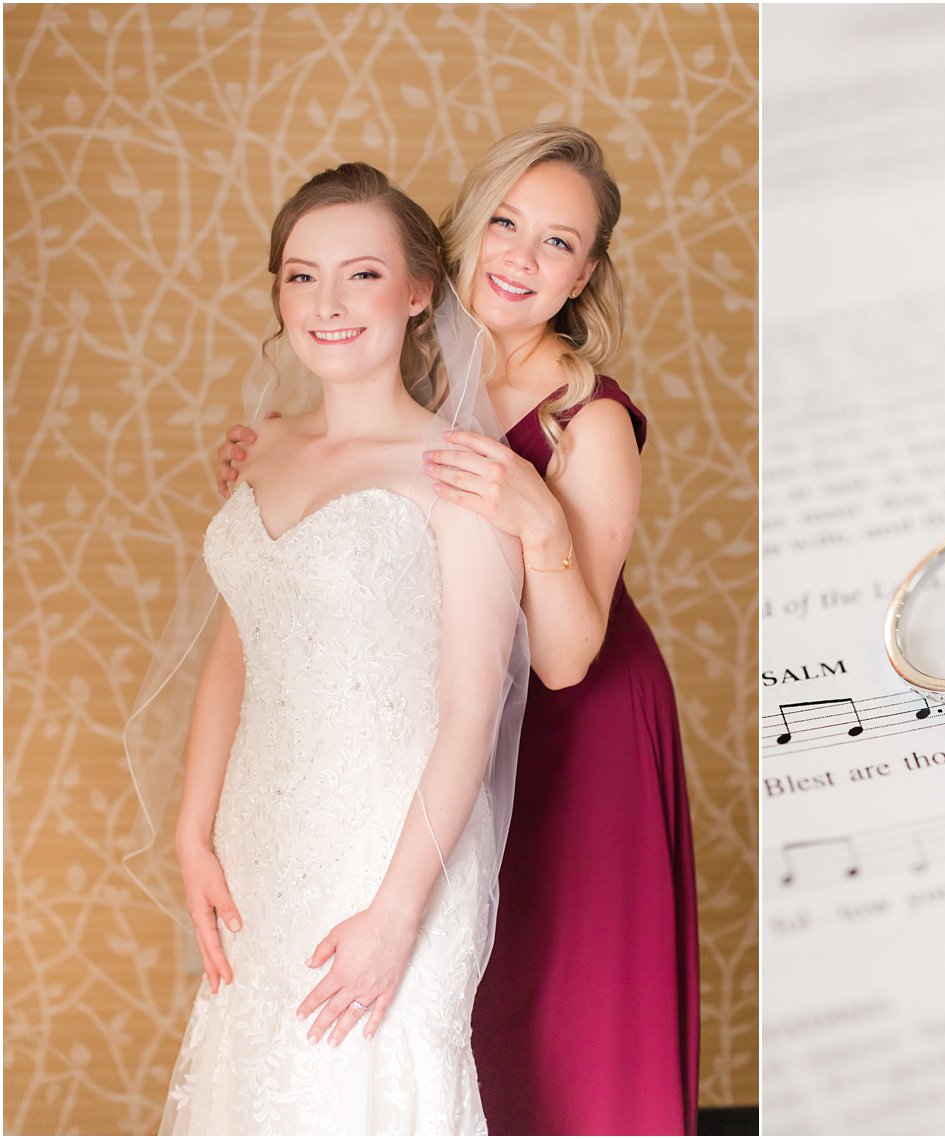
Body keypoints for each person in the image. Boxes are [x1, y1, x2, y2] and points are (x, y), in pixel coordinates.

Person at [218, 125, 700, 1135]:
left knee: (552, 1012)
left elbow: (567, 657)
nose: (522, 257)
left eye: (558, 243)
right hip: (439, 726)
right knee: (453, 1000)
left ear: (585, 275)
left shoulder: (587, 420)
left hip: (581, 732)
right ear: (462, 234)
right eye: (507, 223)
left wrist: (534, 514)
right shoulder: (418, 371)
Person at [127, 163, 527, 1134]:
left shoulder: (458, 472)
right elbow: (239, 642)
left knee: (366, 1084)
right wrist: (192, 829)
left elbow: (473, 709)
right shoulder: (260, 451)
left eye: (360, 273)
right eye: (301, 276)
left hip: (394, 838)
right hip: (263, 829)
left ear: (419, 289)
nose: (328, 303)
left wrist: (396, 912)